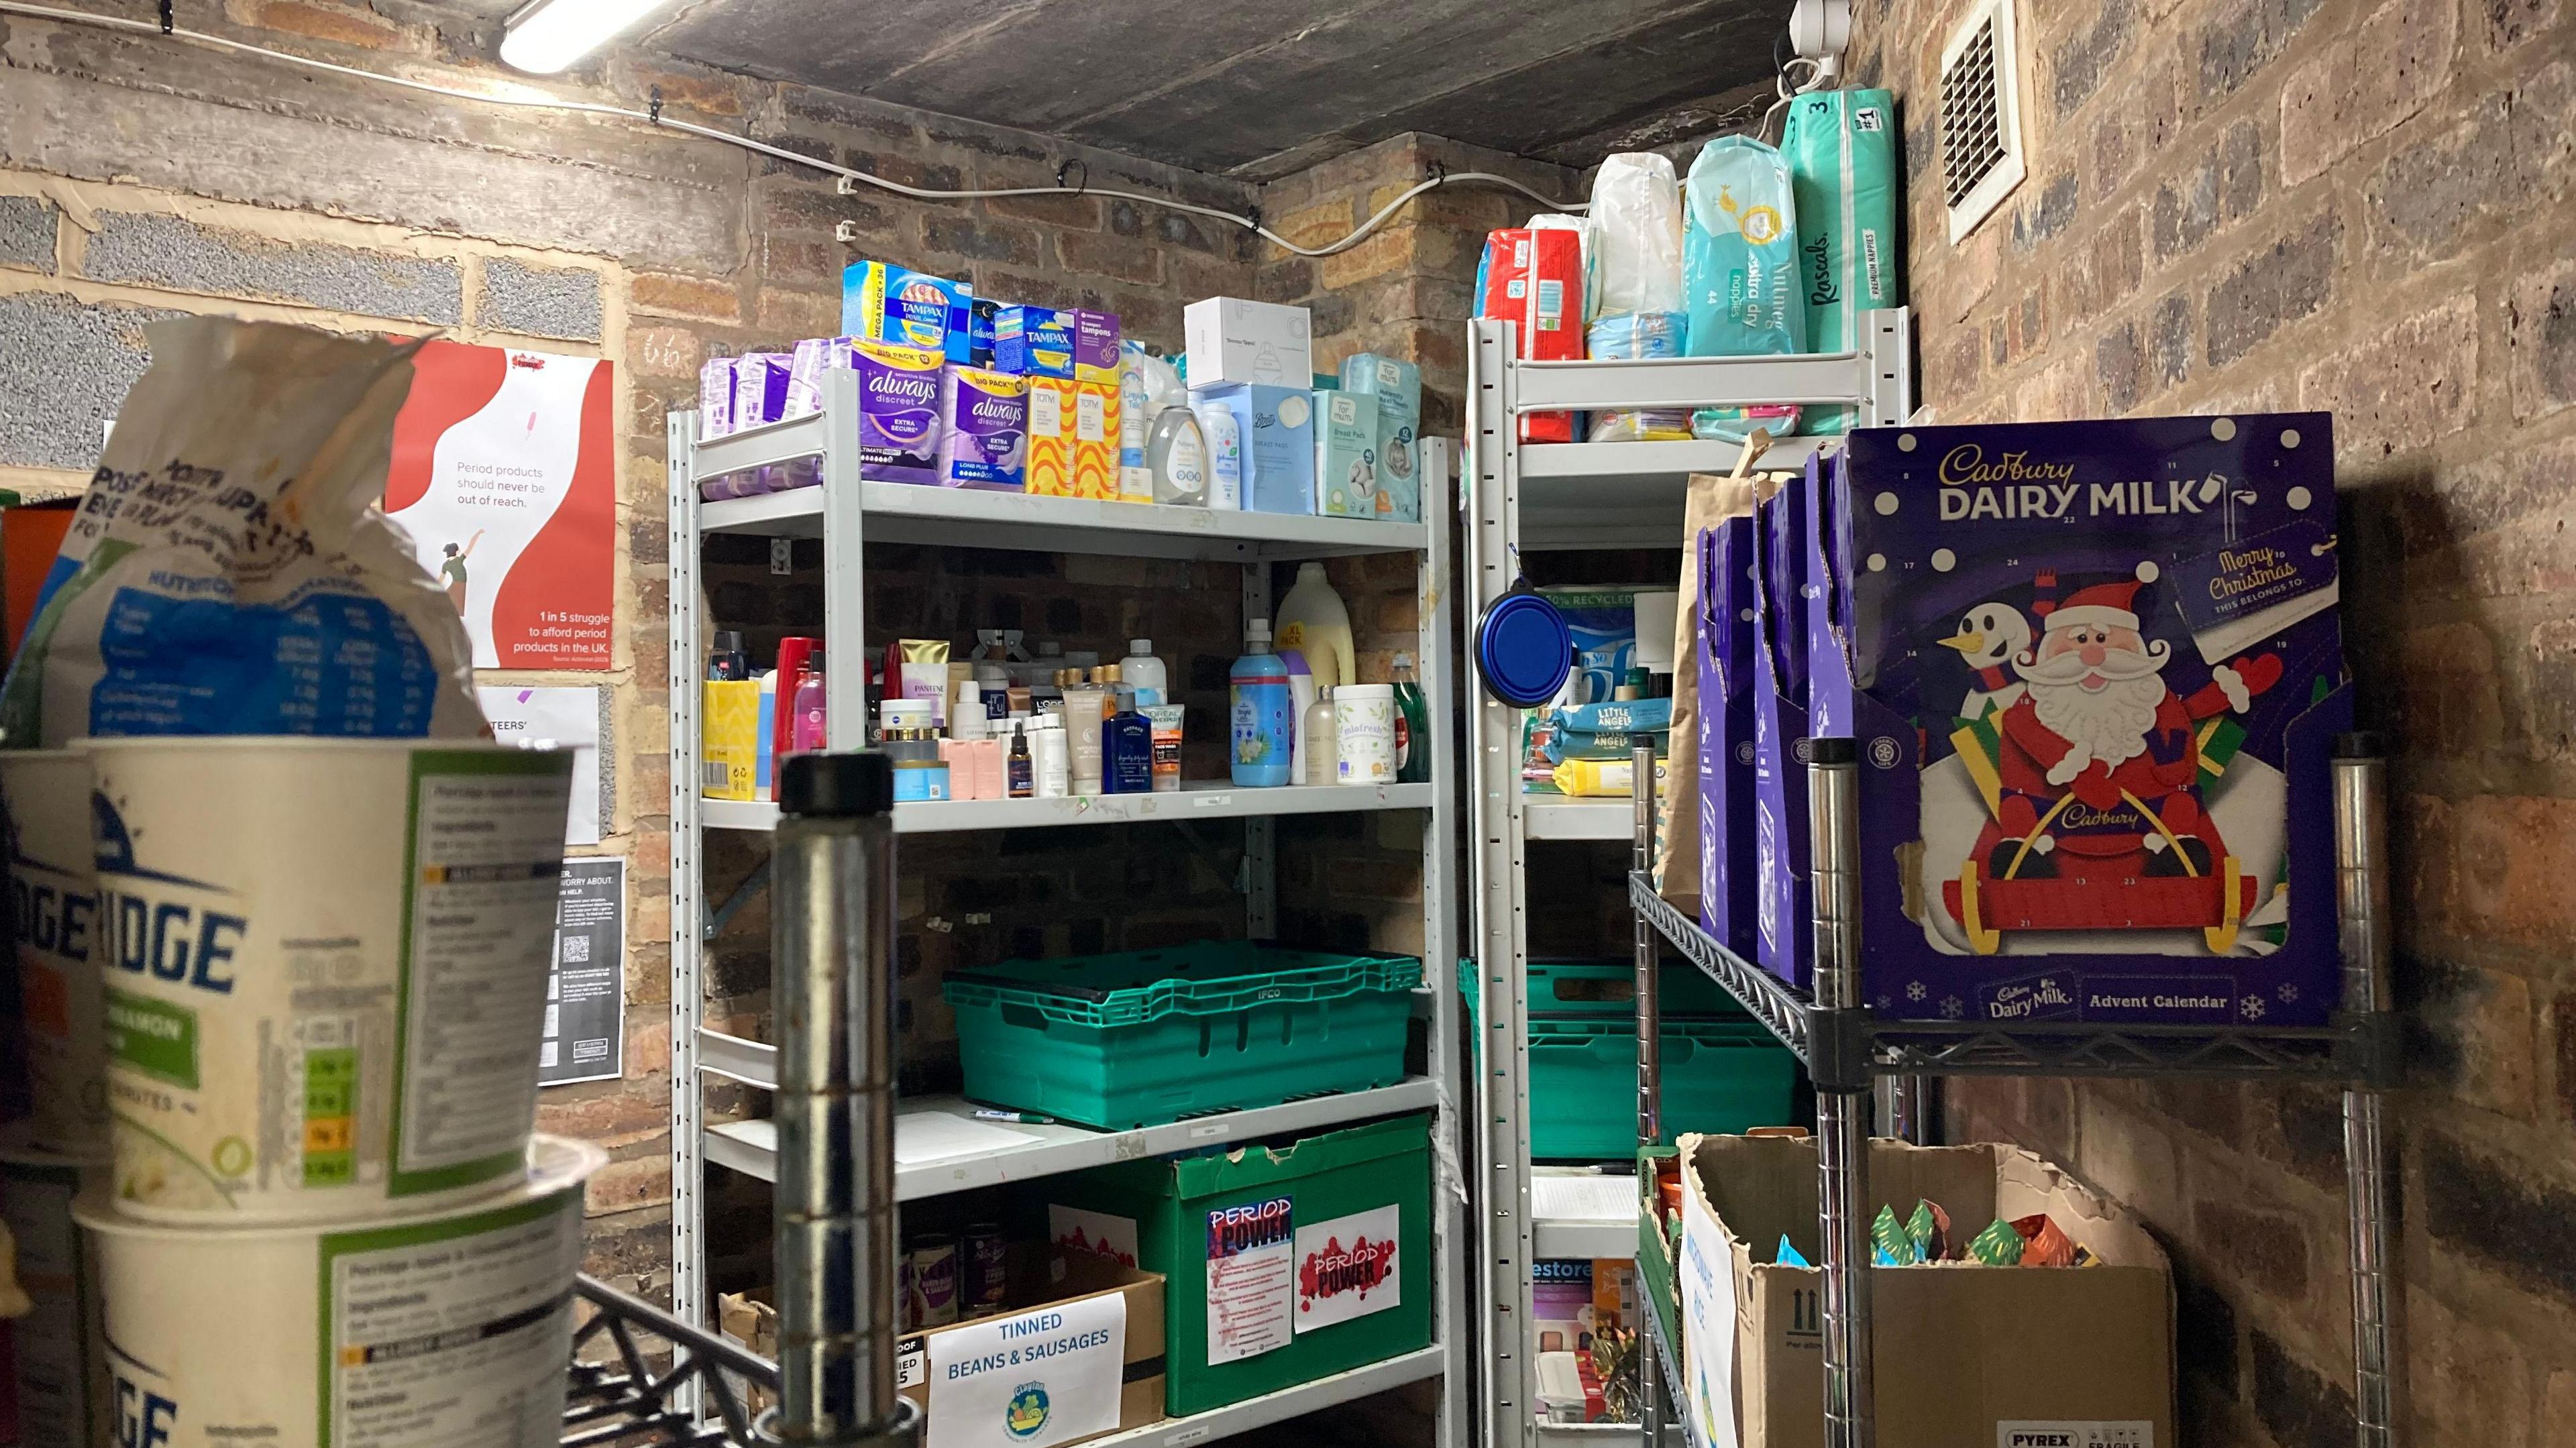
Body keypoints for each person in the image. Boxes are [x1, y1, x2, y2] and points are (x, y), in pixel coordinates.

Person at [440, 529, 484, 613]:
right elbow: (470, 547)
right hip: (458, 586)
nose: (460, 550)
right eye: (458, 549)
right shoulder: (458, 560)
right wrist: (477, 534)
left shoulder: (448, 564)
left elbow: (440, 579)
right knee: (456, 608)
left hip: (459, 586)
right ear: (456, 551)